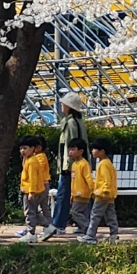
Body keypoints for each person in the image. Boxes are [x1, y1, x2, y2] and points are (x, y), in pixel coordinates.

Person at [43, 91, 89, 241]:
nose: (61, 106)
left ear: (69, 107)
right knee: (80, 194)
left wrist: (67, 165)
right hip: (80, 163)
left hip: (70, 165)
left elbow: (70, 145)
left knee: (63, 195)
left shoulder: (69, 123)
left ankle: (59, 224)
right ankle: (83, 224)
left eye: (64, 104)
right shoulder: (79, 121)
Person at [80, 139, 119, 244]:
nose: (92, 151)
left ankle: (90, 235)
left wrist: (105, 191)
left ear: (102, 151)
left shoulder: (103, 164)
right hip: (108, 194)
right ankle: (114, 235)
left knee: (95, 215)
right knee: (110, 215)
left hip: (102, 194)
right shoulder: (107, 163)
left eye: (95, 149)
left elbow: (106, 179)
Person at [15, 135, 51, 242]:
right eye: (21, 148)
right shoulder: (29, 159)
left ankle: (31, 233)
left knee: (29, 212)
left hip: (30, 191)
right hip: (30, 190)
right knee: (34, 211)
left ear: (32, 149)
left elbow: (33, 178)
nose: (22, 151)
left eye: (25, 148)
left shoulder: (32, 161)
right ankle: (48, 227)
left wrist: (31, 192)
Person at [67, 139, 94, 241]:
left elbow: (88, 178)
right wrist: (72, 194)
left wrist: (92, 190)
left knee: (75, 212)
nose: (70, 152)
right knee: (81, 212)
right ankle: (84, 228)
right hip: (76, 194)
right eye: (69, 149)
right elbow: (74, 181)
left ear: (81, 151)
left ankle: (88, 228)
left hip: (82, 193)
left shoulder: (84, 164)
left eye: (73, 149)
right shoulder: (74, 164)